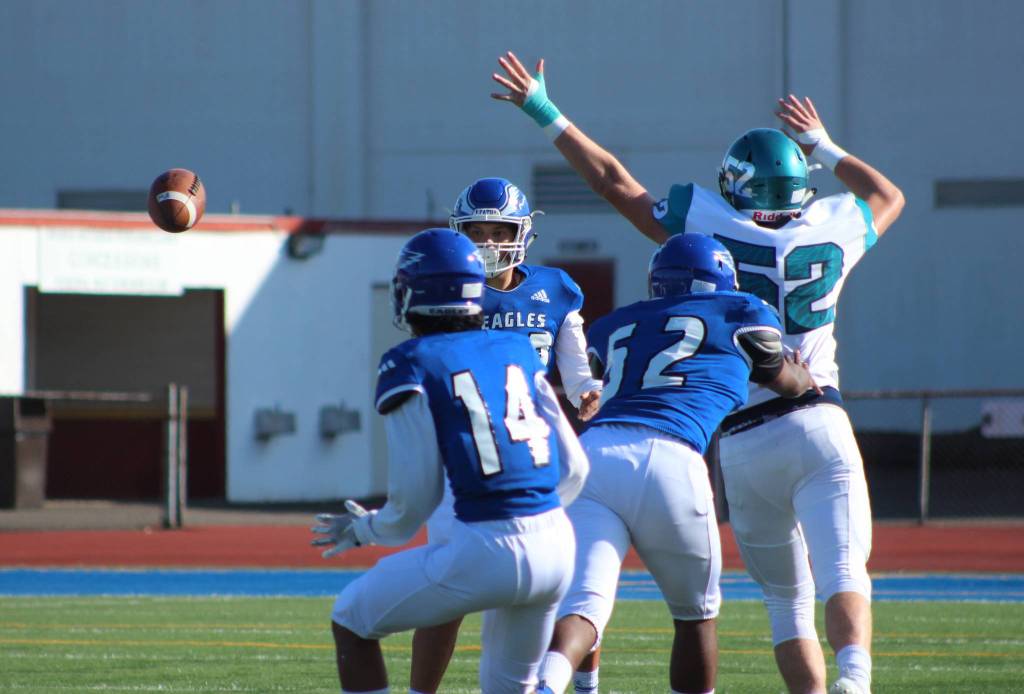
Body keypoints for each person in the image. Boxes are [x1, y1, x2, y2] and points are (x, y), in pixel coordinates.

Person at [491, 51, 905, 694]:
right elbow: (888, 196)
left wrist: (544, 109)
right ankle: (855, 680)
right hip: (817, 413)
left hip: (736, 433)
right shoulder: (835, 225)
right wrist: (822, 144)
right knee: (844, 572)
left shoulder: (705, 230)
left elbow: (612, 182)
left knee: (784, 603)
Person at [531, 233, 818, 694]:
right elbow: (785, 381)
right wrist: (803, 375)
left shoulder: (618, 323)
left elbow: (608, 370)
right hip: (671, 454)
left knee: (584, 603)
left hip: (595, 455)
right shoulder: (741, 311)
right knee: (695, 616)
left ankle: (546, 682)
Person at [312, 227, 590, 694]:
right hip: (556, 545)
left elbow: (411, 507)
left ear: (412, 292)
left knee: (352, 621)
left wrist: (363, 529)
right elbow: (575, 468)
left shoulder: (410, 363)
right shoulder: (518, 348)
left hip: (486, 545)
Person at [408, 177, 603, 694]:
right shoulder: (450, 291)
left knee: (561, 582)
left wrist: (587, 389)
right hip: (465, 455)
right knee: (444, 589)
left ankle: (584, 682)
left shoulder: (556, 289)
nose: (490, 243)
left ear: (522, 233)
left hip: (535, 456)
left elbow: (578, 367)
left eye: (500, 231)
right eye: (478, 231)